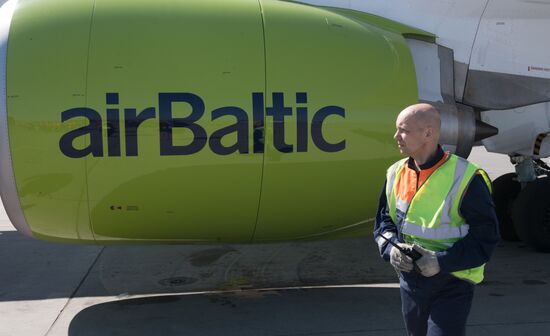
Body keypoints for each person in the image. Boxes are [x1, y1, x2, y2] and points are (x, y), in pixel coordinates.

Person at [373, 103, 499, 336]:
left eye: (403, 130)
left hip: (451, 282)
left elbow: (486, 239)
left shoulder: (467, 177)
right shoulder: (395, 173)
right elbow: (383, 224)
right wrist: (392, 250)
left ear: (428, 133)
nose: (396, 136)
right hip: (410, 281)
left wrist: (440, 262)